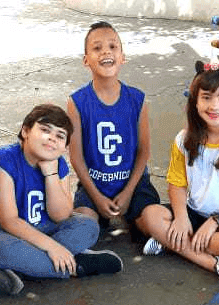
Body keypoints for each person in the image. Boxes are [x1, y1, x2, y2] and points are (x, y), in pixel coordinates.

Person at [140, 61, 219, 280]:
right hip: (192, 212)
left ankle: (172, 243)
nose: (214, 106)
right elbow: (177, 183)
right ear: (195, 101)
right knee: (150, 214)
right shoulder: (184, 139)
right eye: (206, 97)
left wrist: (215, 221)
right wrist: (180, 217)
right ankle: (210, 262)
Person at [0, 104, 122, 278]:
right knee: (0, 249)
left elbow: (61, 215)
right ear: (25, 131)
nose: (52, 138)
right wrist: (53, 247)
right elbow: (9, 221)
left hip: (43, 227)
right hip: (2, 232)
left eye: (60, 136)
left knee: (88, 226)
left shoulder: (58, 164)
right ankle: (74, 265)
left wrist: (51, 174)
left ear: (64, 148)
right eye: (45, 130)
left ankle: (29, 267)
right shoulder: (2, 163)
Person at [68, 21, 161, 236]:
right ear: (86, 60)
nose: (106, 52)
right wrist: (97, 197)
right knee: (83, 226)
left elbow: (144, 151)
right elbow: (76, 158)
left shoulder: (137, 100)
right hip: (94, 185)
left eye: (112, 46)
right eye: (97, 48)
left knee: (154, 221)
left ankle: (144, 227)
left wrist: (128, 192)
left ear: (122, 57)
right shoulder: (77, 102)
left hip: (134, 183)